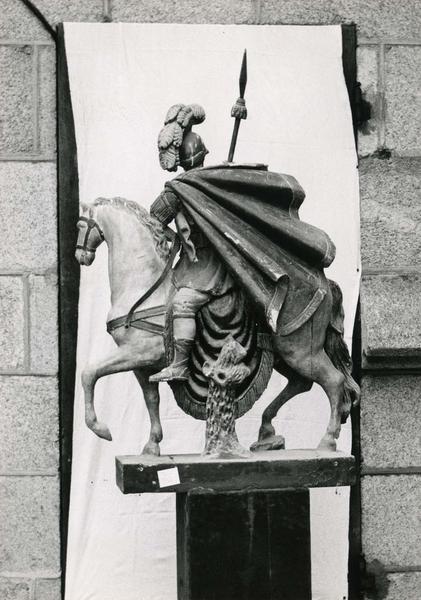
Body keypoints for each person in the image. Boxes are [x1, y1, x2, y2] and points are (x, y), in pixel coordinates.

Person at [149, 105, 233, 382]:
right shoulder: (216, 180)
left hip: (208, 266)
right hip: (194, 262)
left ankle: (181, 366)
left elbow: (154, 218)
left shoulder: (179, 189)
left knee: (183, 303)